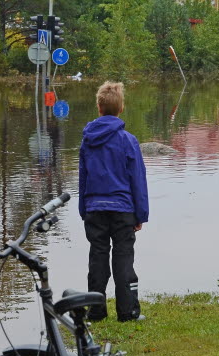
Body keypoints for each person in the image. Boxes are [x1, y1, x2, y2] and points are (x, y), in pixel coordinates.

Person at [79, 81, 149, 322]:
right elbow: (137, 179)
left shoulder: (87, 140)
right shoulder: (128, 140)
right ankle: (127, 312)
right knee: (123, 258)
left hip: (95, 209)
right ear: (122, 109)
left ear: (98, 107)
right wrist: (141, 214)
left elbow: (83, 177)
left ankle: (95, 311)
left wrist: (83, 210)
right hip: (123, 210)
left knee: (97, 257)